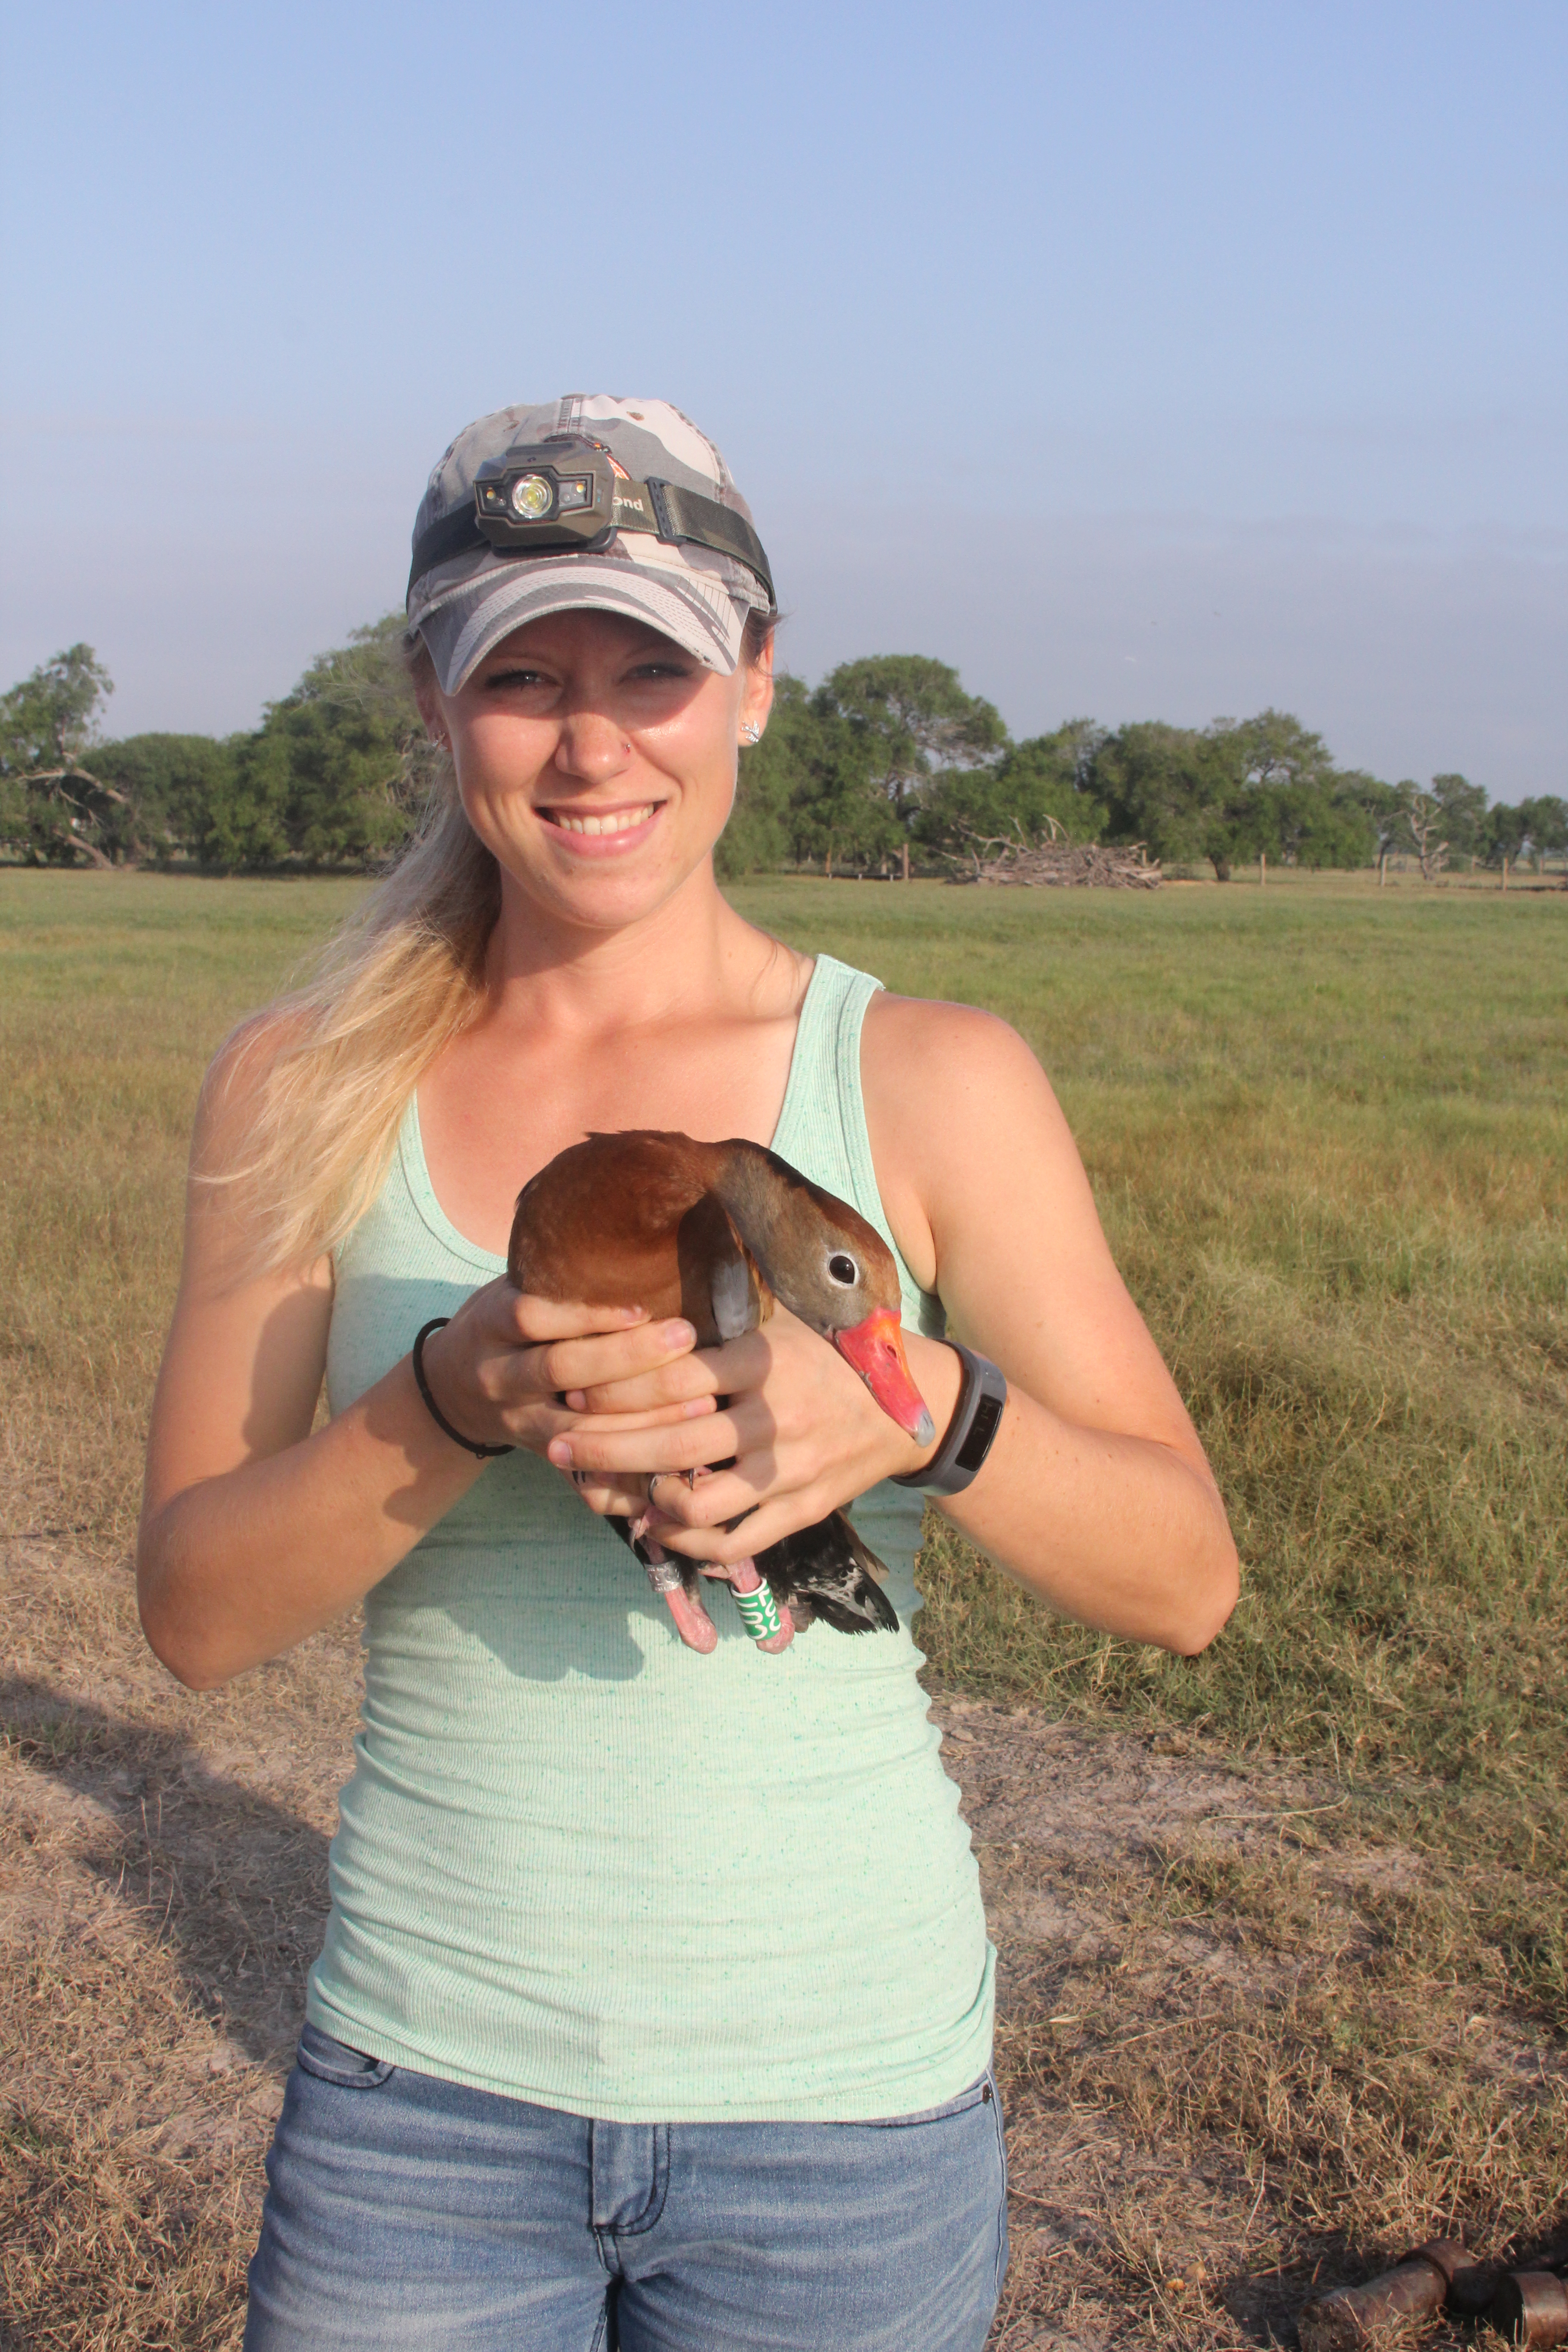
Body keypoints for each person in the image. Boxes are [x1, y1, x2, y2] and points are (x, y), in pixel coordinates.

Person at [137, 394, 1239, 2352]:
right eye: (522, 675)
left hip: (844, 2115)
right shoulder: (305, 1084)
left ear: (753, 684)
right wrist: (455, 1395)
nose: (592, 742)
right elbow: (196, 1618)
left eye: (654, 667)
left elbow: (1184, 1580)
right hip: (426, 2104)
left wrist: (914, 1411)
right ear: (429, 700)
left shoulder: (929, 1077)